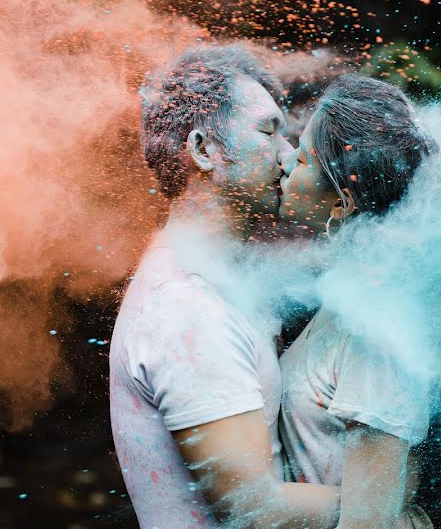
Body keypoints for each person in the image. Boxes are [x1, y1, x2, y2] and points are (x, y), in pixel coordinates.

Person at [109, 46, 342, 528]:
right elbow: (256, 510)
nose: (290, 152)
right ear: (202, 151)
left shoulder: (210, 283)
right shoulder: (187, 310)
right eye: (268, 131)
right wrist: (399, 504)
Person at [277, 74, 438, 528]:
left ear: (343, 204)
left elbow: (368, 524)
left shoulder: (375, 328)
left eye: (305, 157)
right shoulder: (350, 294)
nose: (287, 160)